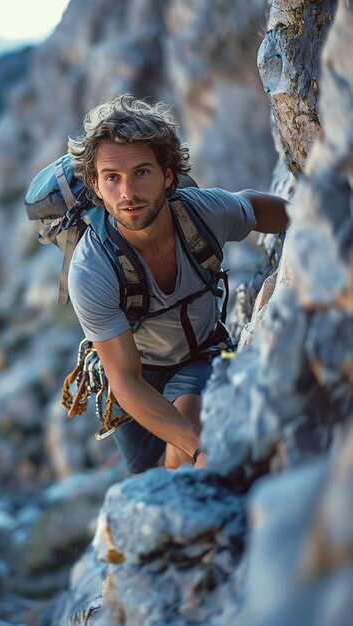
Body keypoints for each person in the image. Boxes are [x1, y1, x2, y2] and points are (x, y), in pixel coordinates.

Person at [67, 93, 288, 473]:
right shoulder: (91, 270)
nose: (128, 193)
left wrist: (324, 215)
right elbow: (126, 380)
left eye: (142, 172)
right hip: (135, 381)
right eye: (112, 178)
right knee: (156, 480)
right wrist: (198, 450)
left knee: (185, 454)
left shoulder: (203, 214)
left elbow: (253, 207)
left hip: (200, 354)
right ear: (97, 187)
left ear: (168, 175)